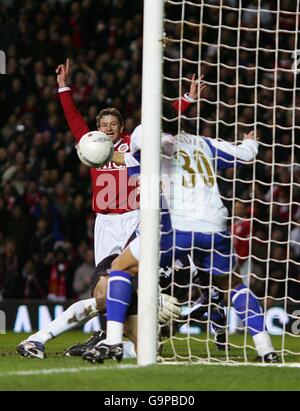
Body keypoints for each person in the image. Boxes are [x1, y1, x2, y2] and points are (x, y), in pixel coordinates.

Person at [83, 123, 278, 364]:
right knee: (233, 285)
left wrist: (99, 151)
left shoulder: (149, 136)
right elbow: (245, 155)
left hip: (177, 226)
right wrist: (251, 141)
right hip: (215, 225)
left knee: (120, 268)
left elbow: (132, 156)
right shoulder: (205, 144)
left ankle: (112, 342)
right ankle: (266, 348)